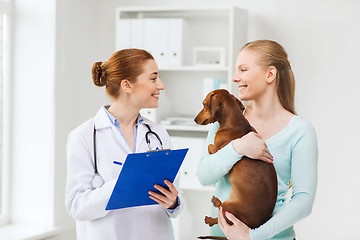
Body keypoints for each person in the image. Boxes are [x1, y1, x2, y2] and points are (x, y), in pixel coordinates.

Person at [197, 40, 318, 240]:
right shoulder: (225, 121)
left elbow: (303, 201)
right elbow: (203, 176)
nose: (235, 78)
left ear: (270, 74)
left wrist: (253, 236)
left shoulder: (300, 131)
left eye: (243, 70)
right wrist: (237, 147)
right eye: (236, 70)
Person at [65, 49, 183, 240]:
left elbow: (176, 201)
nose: (161, 85)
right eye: (153, 79)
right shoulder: (84, 136)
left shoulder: (159, 134)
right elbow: (76, 205)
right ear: (127, 85)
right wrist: (122, 185)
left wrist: (173, 202)